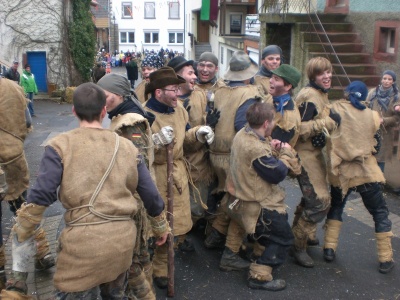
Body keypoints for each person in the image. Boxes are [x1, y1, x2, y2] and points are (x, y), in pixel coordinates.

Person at [2, 82, 169, 299]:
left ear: (74, 111)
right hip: (121, 244)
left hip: (81, 247)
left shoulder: (59, 146)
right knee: (115, 293)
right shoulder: (127, 147)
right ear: (103, 111)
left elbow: (42, 195)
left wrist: (24, 230)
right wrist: (161, 228)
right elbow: (150, 195)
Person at [143, 67, 215, 289]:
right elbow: (133, 153)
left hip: (178, 175)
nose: (178, 92)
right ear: (158, 93)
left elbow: (186, 139)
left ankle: (163, 267)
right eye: (174, 89)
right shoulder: (143, 116)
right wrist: (153, 141)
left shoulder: (180, 110)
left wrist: (198, 134)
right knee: (154, 227)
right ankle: (148, 272)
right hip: (155, 177)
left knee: (175, 227)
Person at [224, 102, 300, 291]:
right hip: (256, 205)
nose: (274, 124)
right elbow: (277, 174)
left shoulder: (243, 133)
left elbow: (257, 151)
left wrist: (269, 143)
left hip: (236, 199)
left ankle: (233, 257)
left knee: (263, 232)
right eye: (273, 121)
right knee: (283, 237)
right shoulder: (255, 148)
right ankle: (259, 275)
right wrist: (285, 152)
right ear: (266, 123)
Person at [322, 81, 394, 274]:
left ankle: (329, 248)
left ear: (347, 94)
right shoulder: (372, 116)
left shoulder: (334, 108)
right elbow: (376, 140)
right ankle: (385, 258)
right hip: (366, 171)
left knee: (337, 207)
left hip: (341, 171)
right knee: (379, 212)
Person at [97, 73, 157, 299]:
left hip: (131, 201)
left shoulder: (130, 120)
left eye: (106, 96)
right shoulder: (122, 114)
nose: (103, 101)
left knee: (132, 259)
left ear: (120, 95)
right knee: (137, 258)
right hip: (130, 198)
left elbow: (136, 164)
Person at [204, 51, 264, 272]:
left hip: (215, 152)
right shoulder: (248, 93)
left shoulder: (218, 88)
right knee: (242, 202)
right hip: (233, 155)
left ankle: (214, 237)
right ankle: (230, 251)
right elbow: (242, 124)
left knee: (229, 197)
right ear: (248, 75)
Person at [0, 77, 54, 292]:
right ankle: (43, 252)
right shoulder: (13, 87)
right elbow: (28, 122)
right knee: (23, 207)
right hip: (12, 155)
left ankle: (2, 272)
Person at [290, 57, 341, 268]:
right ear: (313, 76)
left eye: (329, 72)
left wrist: (322, 130)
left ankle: (303, 233)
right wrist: (327, 123)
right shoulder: (308, 96)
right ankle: (297, 245)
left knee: (314, 198)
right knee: (320, 202)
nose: (327, 76)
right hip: (304, 156)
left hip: (314, 153)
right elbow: (297, 129)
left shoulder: (321, 93)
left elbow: (314, 126)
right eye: (322, 74)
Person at [167, 56, 219, 229]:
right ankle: (179, 238)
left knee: (197, 208)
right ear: (177, 77)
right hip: (176, 165)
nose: (196, 76)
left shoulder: (199, 94)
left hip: (199, 165)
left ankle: (188, 230)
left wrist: (209, 123)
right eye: (191, 73)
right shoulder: (168, 101)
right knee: (175, 207)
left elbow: (204, 118)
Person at [365, 70, 400, 173]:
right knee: (368, 156)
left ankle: (378, 184)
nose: (386, 81)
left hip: (385, 133)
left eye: (389, 79)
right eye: (384, 78)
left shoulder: (396, 97)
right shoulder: (372, 93)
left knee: (380, 159)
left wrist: (383, 120)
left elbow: (397, 119)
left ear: (393, 81)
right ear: (381, 80)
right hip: (370, 130)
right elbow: (365, 107)